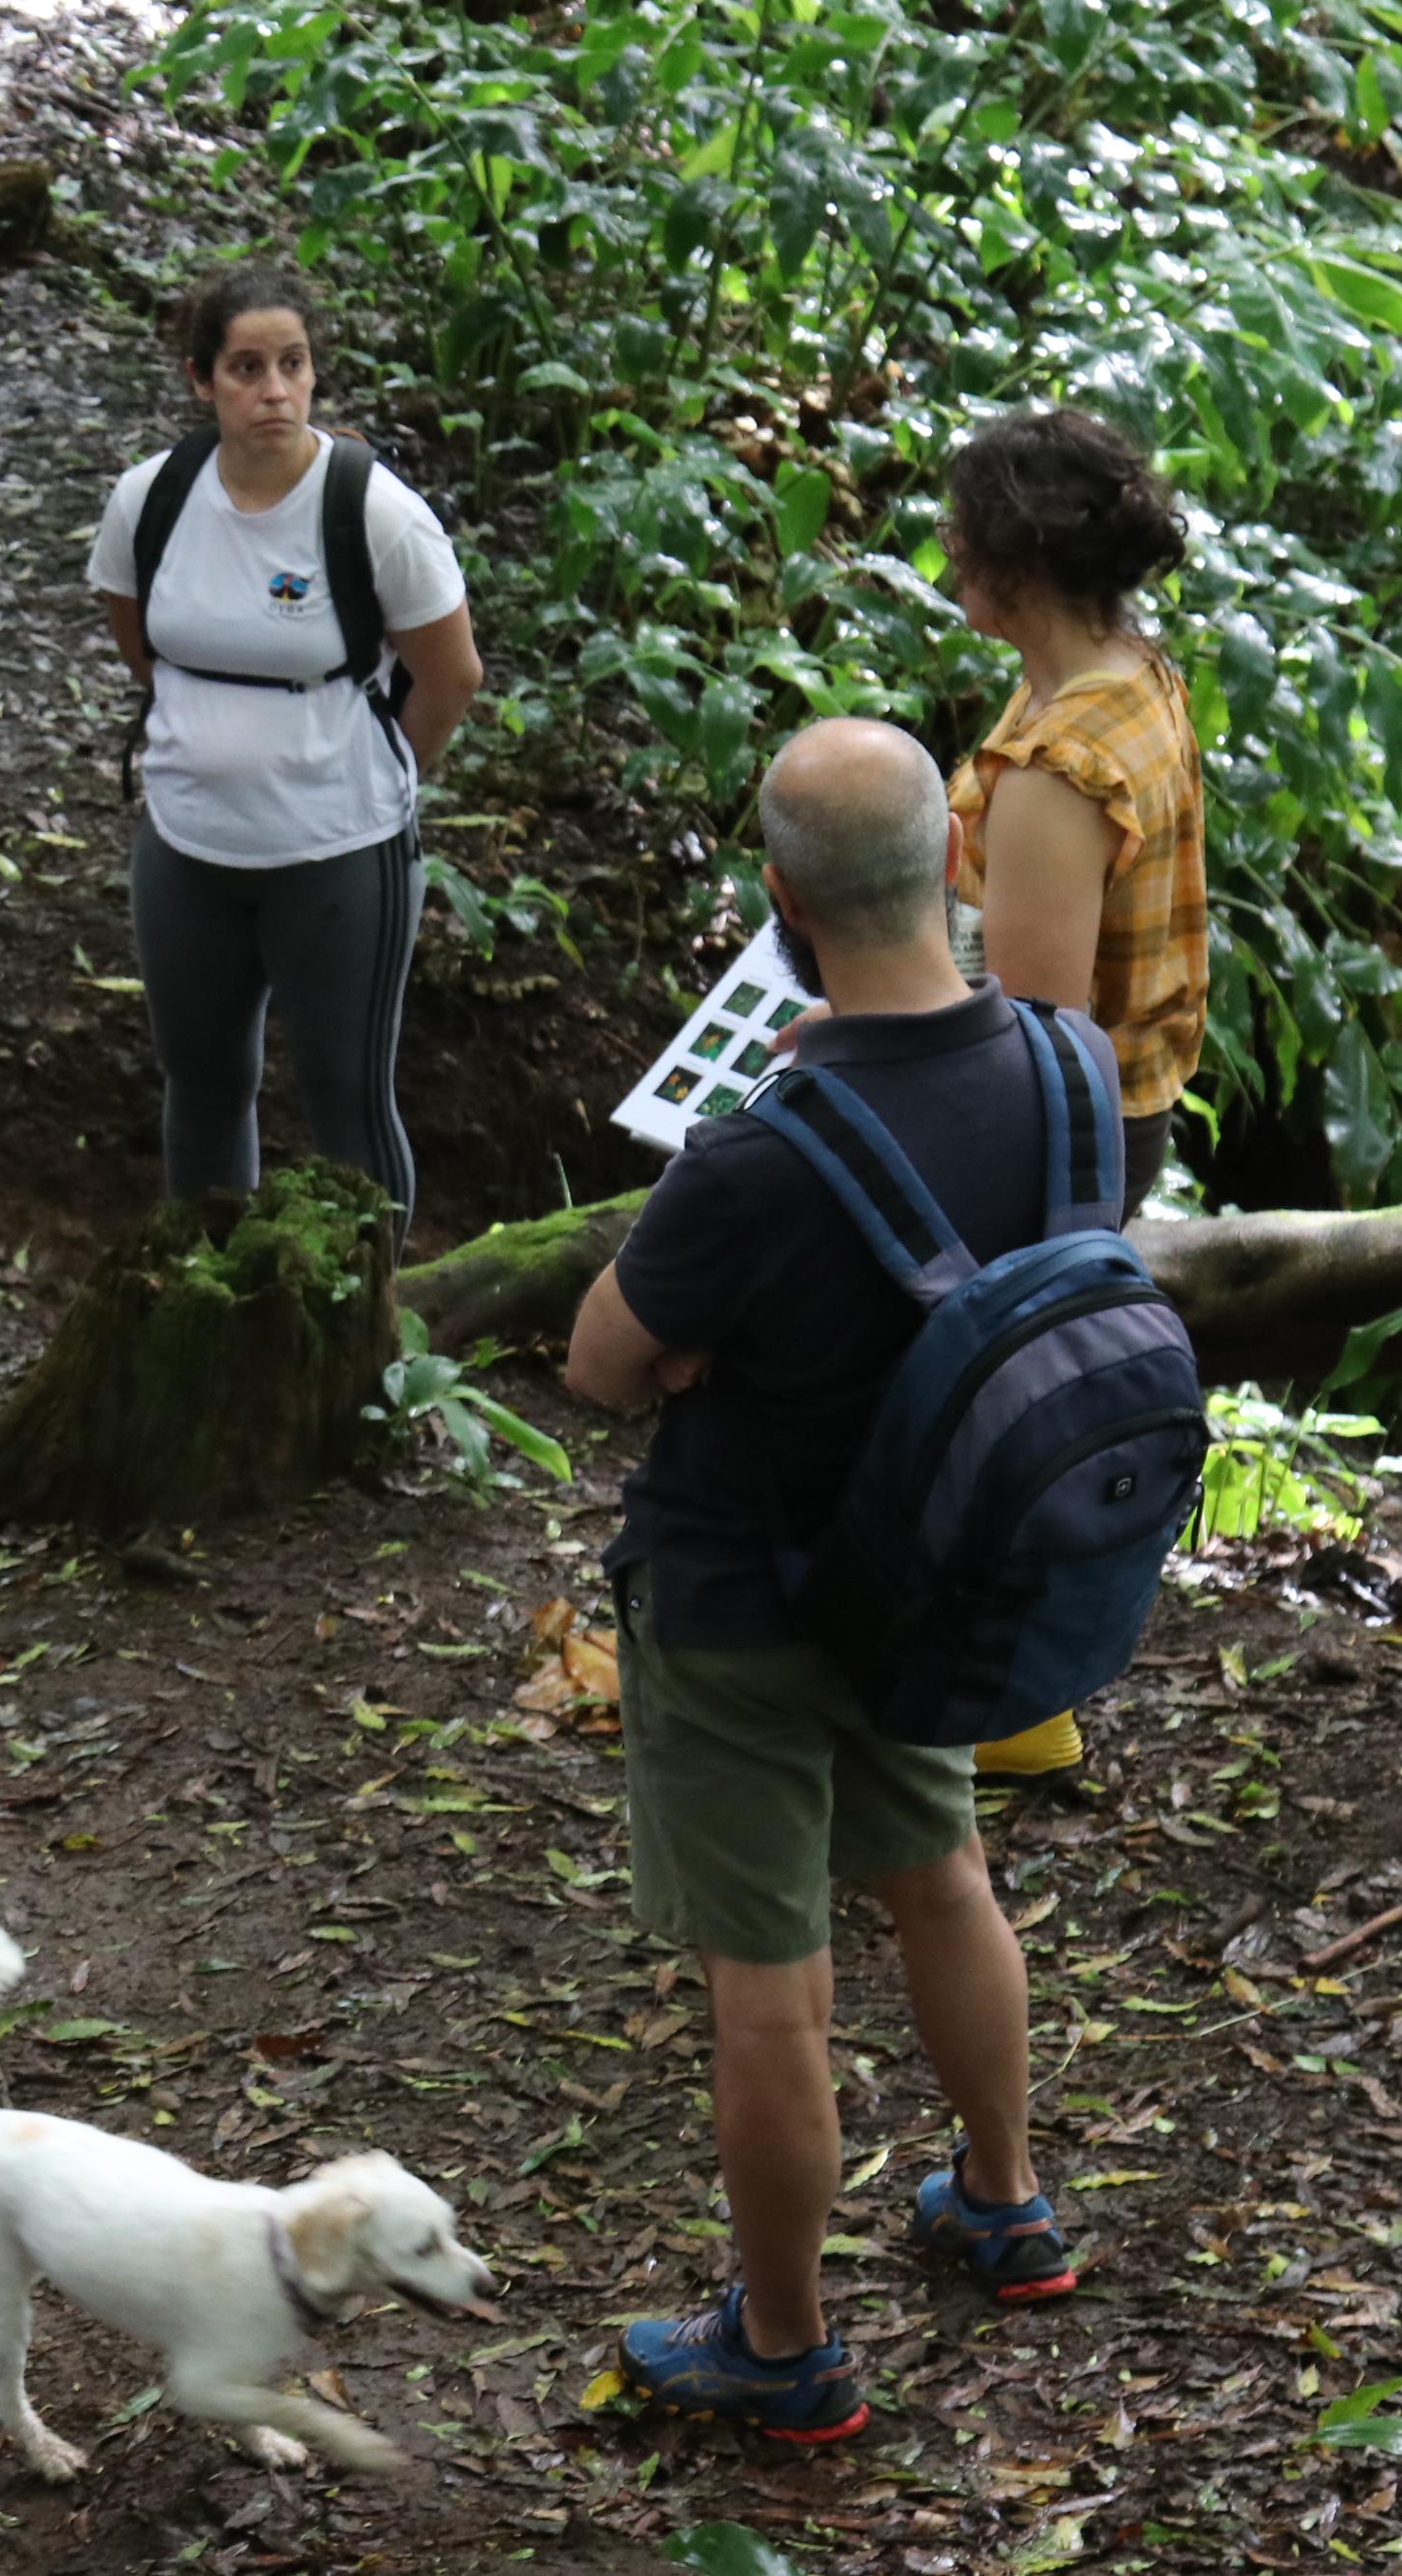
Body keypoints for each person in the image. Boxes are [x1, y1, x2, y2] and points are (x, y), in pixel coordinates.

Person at [563, 719, 1085, 2445]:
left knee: (765, 1981)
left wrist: (711, 1333)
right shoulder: (1069, 1077)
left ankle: (779, 2346)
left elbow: (598, 1362)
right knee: (940, 1876)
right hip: (936, 1572)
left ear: (776, 902)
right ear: (950, 856)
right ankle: (1000, 2202)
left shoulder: (757, 1154)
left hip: (738, 1604)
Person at [87, 267, 485, 1221]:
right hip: (186, 850)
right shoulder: (151, 502)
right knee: (203, 1086)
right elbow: (143, 646)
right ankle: (212, 1307)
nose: (274, 390)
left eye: (293, 365)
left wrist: (374, 777)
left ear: (315, 376)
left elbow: (452, 675)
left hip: (341, 857)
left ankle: (369, 1337)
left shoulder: (375, 513)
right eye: (247, 367)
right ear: (200, 380)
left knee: (347, 1104)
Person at [936, 407, 1199, 1784]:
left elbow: (1027, 1032)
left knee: (993, 1396)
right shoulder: (1110, 673)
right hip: (1122, 1101)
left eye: (960, 536)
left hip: (1057, 1127)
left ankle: (1003, 1710)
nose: (943, 554)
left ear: (1012, 564)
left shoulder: (1060, 765)